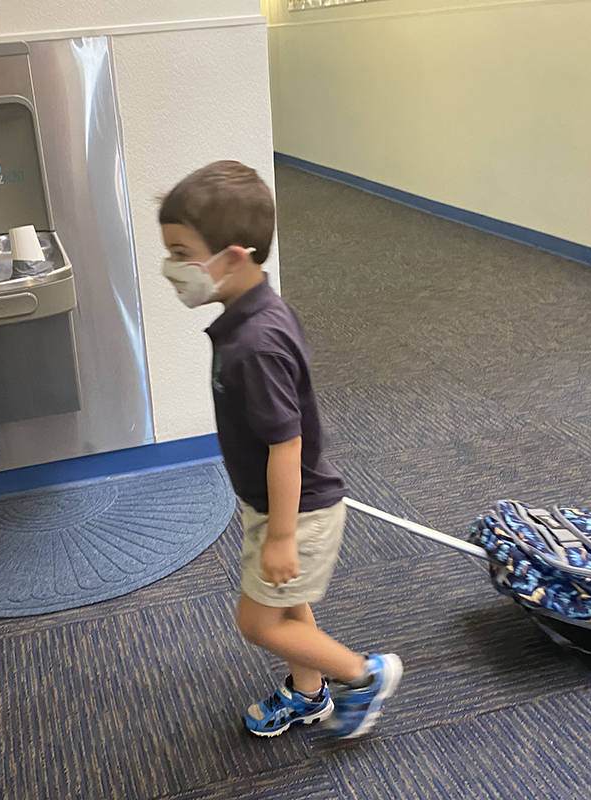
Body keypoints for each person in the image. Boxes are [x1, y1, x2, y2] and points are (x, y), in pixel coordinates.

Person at [158, 160, 402, 739]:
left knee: (257, 621)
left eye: (181, 252)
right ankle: (308, 691)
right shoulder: (251, 313)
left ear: (233, 257)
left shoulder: (256, 344)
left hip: (297, 510)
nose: (171, 268)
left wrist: (283, 535)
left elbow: (286, 445)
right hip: (275, 503)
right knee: (289, 610)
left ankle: (362, 675)